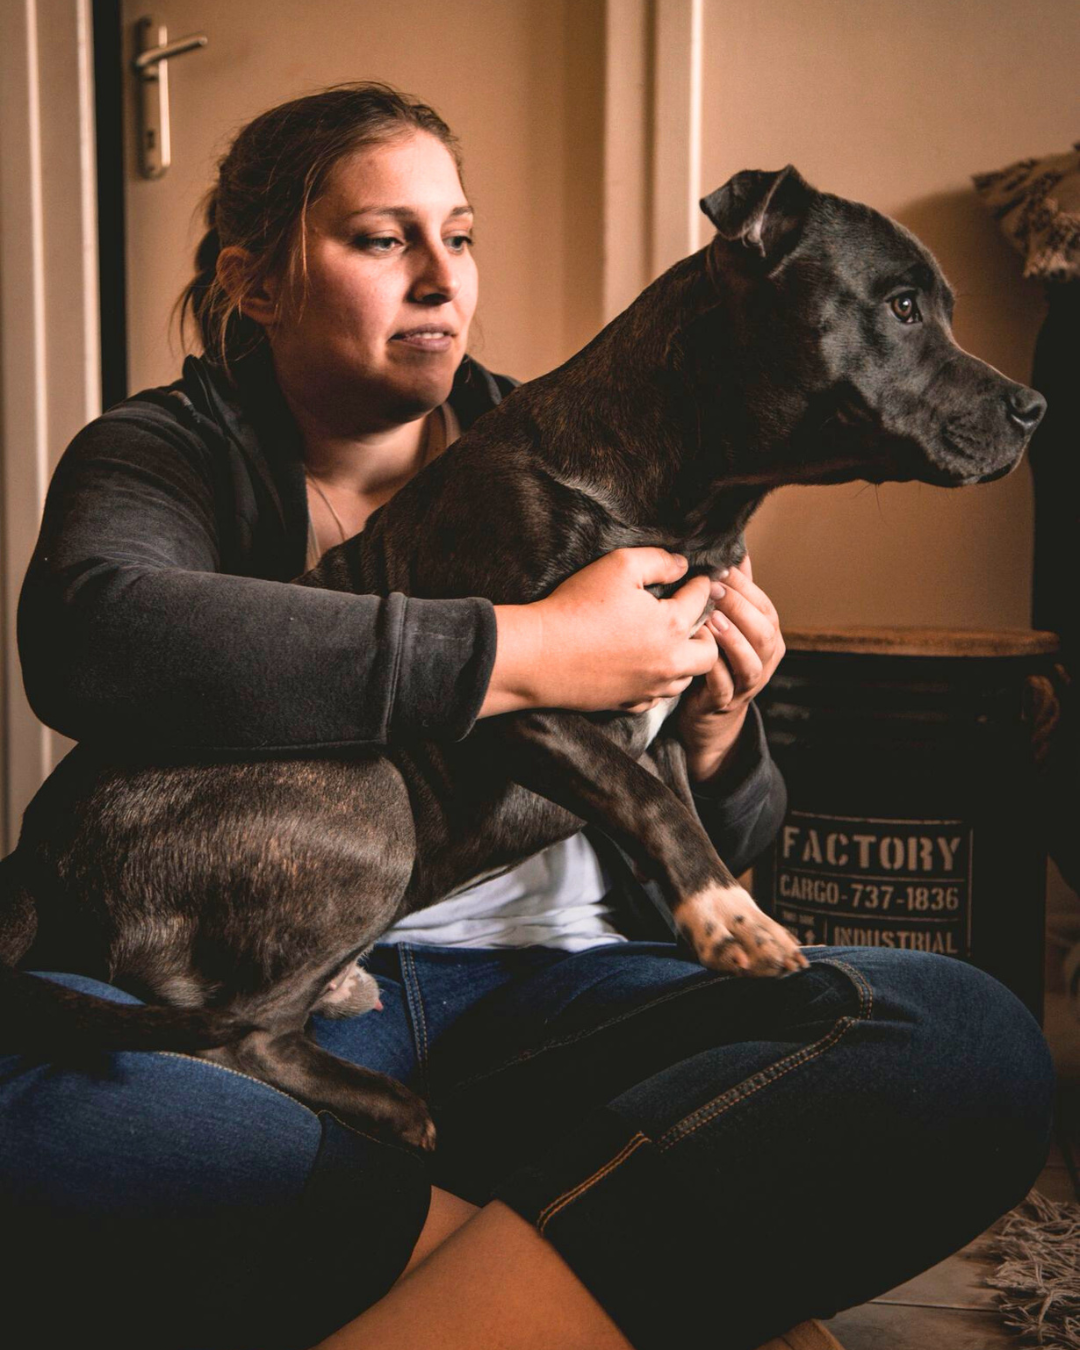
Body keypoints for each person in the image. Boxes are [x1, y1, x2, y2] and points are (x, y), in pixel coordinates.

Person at [5, 83, 1054, 1350]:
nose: (441, 279)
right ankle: (555, 1258)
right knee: (40, 1091)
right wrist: (532, 648)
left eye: (461, 234)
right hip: (267, 992)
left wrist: (719, 728)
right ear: (257, 282)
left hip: (558, 999)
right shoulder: (168, 453)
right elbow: (96, 636)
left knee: (966, 1039)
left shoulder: (581, 432)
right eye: (382, 239)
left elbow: (739, 824)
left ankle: (435, 1249)